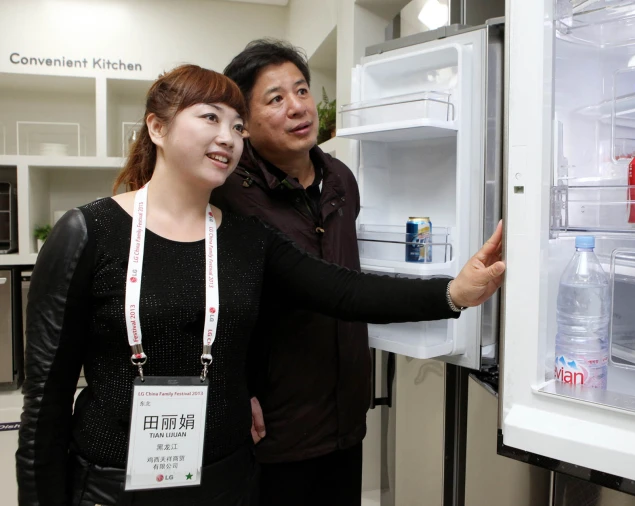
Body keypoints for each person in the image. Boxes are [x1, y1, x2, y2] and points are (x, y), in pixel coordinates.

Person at [15, 64, 505, 506]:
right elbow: (46, 400)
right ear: (157, 127)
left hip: (228, 479)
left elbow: (343, 291)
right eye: (209, 118)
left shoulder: (246, 239)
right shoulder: (89, 232)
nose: (227, 137)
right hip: (113, 482)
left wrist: (452, 293)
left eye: (236, 126)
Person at [209, 39, 371, 505]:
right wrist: (235, 391)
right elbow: (208, 302)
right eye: (275, 99)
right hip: (272, 423)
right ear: (244, 122)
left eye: (301, 91)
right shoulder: (229, 195)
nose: (298, 107)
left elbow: (346, 283)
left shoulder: (340, 178)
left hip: (346, 414)